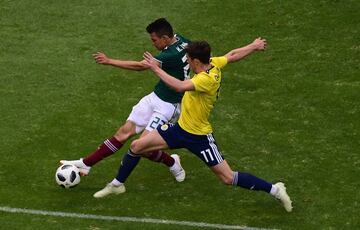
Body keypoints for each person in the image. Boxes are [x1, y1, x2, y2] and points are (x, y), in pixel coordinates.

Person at [93, 38, 293, 212]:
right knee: (137, 146)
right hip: (179, 129)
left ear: (196, 61)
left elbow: (179, 86)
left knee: (227, 177)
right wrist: (253, 45)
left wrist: (155, 68)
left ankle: (275, 189)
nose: (187, 62)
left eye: (189, 59)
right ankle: (118, 184)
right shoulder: (212, 63)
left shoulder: (207, 79)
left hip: (199, 137)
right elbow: (231, 55)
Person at [61, 18, 191, 185]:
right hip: (155, 97)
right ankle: (87, 164)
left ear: (165, 38)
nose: (153, 43)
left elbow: (139, 66)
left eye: (154, 40)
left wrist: (109, 61)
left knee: (143, 147)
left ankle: (173, 163)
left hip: (168, 106)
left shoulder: (169, 55)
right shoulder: (182, 40)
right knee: (124, 132)